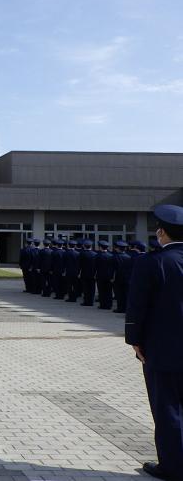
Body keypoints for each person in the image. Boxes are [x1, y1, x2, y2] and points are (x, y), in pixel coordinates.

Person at [126, 204, 183, 480]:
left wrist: (134, 340)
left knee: (168, 408)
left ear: (161, 232)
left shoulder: (153, 262)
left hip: (164, 349)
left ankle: (172, 466)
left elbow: (137, 306)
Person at [112, 240, 132, 314]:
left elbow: (113, 269)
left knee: (119, 294)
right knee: (125, 294)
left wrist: (112, 277)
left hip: (118, 278)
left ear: (118, 248)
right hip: (127, 278)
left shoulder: (114, 257)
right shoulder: (128, 257)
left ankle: (120, 308)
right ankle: (126, 308)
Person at [79, 240, 97, 306]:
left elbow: (79, 264)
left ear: (84, 246)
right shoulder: (95, 254)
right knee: (92, 289)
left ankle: (86, 301)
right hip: (93, 274)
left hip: (84, 273)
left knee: (86, 289)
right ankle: (91, 301)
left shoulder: (82, 254)